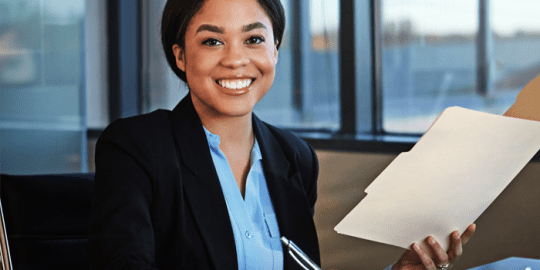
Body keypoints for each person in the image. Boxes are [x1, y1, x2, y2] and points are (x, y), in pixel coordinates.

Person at [89, 0, 476, 269]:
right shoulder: (135, 147)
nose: (236, 58)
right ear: (180, 56)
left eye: (254, 39)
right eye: (212, 41)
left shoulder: (295, 157)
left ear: (275, 48)